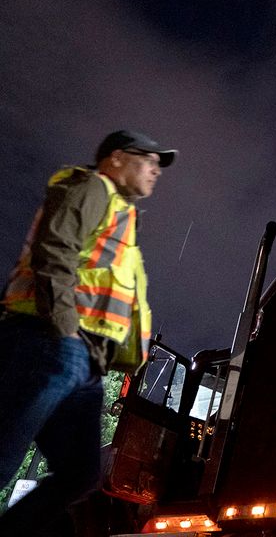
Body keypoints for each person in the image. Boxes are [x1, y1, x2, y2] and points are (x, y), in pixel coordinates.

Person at [0, 129, 175, 534]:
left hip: (83, 360)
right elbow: (54, 251)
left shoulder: (123, 216)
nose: (156, 171)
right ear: (115, 159)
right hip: (49, 339)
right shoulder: (92, 188)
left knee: (80, 474)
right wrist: (64, 329)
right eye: (148, 160)